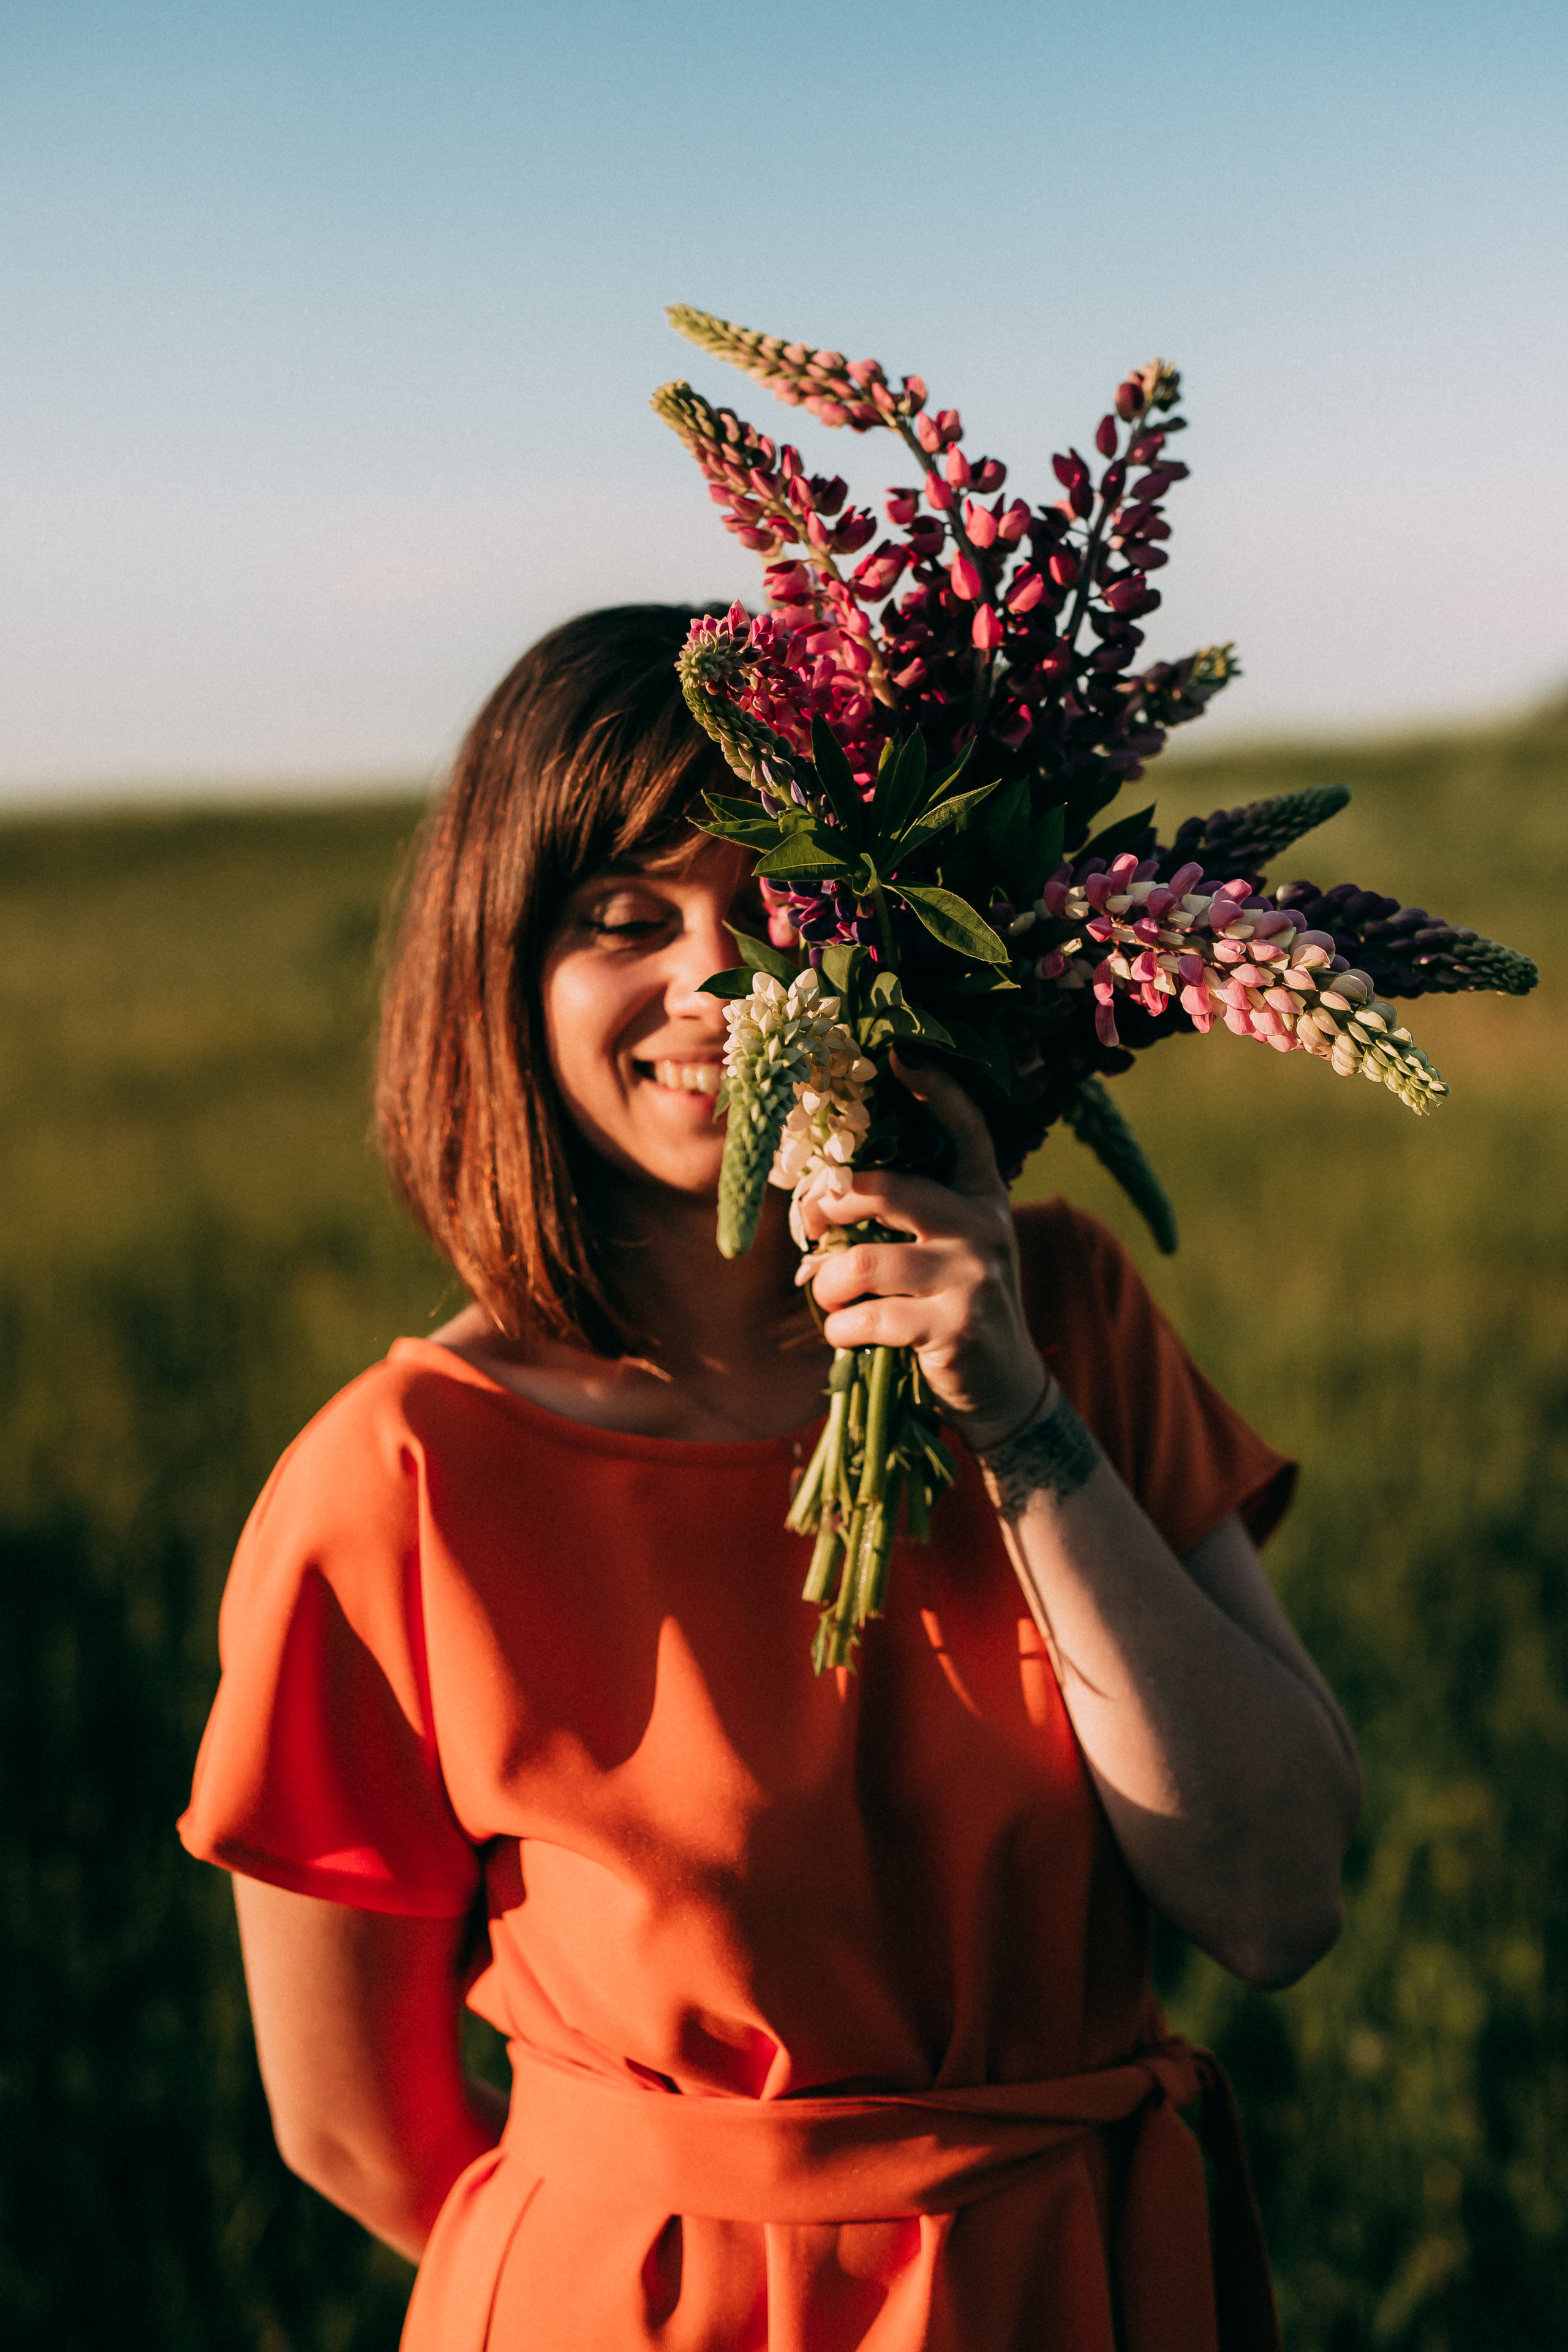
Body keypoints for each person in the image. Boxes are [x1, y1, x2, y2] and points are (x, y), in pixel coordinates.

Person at [179, 603, 1361, 2352]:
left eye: (779, 914)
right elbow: (351, 2126)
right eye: (623, 921)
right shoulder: (401, 1476)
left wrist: (1021, 1427)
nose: (719, 988)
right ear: (501, 967)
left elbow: (1280, 1902)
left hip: (1075, 2290)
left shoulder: (1070, 1317)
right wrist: (682, 2254)